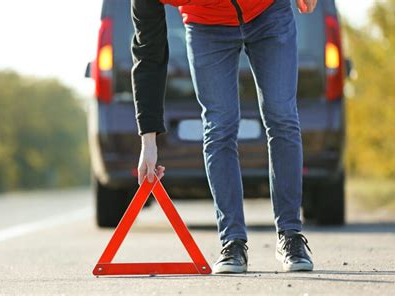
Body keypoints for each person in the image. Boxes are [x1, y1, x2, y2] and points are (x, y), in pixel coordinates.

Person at [130, 0, 317, 273]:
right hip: (206, 27)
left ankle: (290, 235)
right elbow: (148, 54)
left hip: (268, 12)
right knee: (219, 127)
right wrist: (148, 141)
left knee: (282, 116)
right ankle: (232, 242)